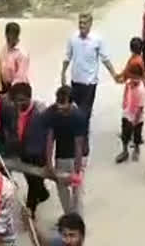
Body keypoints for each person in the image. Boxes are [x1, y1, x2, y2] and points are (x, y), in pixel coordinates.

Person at [60, 12, 117, 129]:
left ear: (90, 24)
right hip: (75, 81)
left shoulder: (97, 40)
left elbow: (105, 59)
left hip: (89, 83)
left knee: (85, 114)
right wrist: (63, 73)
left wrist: (114, 74)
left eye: (84, 23)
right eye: (80, 23)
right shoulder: (73, 38)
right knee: (73, 111)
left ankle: (83, 139)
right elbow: (67, 57)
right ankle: (76, 137)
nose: (82, 26)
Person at [44, 86, 87, 215]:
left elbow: (78, 145)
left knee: (77, 192)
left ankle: (78, 219)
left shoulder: (78, 117)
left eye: (64, 104)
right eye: (59, 102)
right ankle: (69, 216)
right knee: (62, 191)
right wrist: (49, 164)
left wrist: (77, 169)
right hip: (60, 158)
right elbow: (50, 140)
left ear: (71, 102)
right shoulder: (53, 114)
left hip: (76, 158)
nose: (60, 107)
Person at [9, 83, 49, 217]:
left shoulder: (40, 112)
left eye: (22, 100)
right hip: (23, 152)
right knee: (31, 179)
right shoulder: (13, 111)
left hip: (38, 154)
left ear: (29, 98)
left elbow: (50, 134)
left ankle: (30, 211)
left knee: (33, 183)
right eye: (16, 100)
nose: (19, 103)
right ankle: (43, 193)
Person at [115, 38, 145, 163]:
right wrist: (124, 104)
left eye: (133, 78)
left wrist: (135, 120)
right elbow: (126, 84)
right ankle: (125, 151)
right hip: (127, 112)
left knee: (137, 133)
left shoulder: (140, 89)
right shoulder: (130, 79)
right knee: (125, 133)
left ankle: (136, 149)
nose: (131, 79)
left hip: (136, 117)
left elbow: (140, 107)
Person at [0, 22, 30, 94]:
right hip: (4, 86)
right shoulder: (4, 49)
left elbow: (20, 75)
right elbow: (0, 65)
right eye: (7, 35)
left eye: (11, 36)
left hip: (18, 88)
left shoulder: (22, 53)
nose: (8, 38)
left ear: (16, 35)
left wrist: (11, 91)